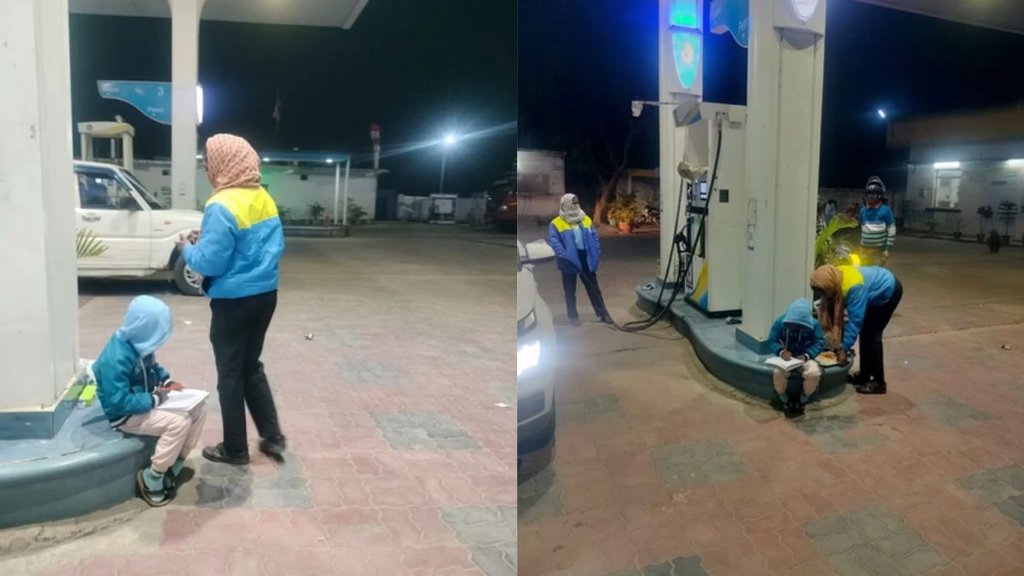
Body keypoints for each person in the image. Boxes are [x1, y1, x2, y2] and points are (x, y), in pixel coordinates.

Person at [179, 133, 286, 465]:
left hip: (234, 302)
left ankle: (235, 449)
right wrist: (207, 240)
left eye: (210, 161)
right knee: (250, 366)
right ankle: (273, 436)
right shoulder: (263, 197)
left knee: (230, 373)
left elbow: (210, 263)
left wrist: (186, 247)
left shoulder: (221, 203)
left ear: (221, 164)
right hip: (265, 295)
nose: (209, 167)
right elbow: (254, 244)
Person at [93, 296, 207, 507]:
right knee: (179, 422)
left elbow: (153, 365)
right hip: (126, 415)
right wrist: (155, 398)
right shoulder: (114, 359)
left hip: (146, 400)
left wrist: (167, 380)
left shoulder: (138, 341)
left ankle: (176, 464)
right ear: (145, 328)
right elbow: (118, 402)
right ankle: (152, 478)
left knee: (199, 408)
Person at [810, 264, 903, 395]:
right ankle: (864, 375)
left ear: (829, 285)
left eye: (823, 292)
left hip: (888, 290)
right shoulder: (835, 277)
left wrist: (844, 348)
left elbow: (855, 321)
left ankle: (878, 382)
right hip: (871, 289)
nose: (822, 296)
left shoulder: (854, 288)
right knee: (866, 334)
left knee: (872, 336)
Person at [548, 194, 612, 326]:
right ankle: (573, 316)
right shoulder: (556, 223)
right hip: (568, 259)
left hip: (585, 257)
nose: (575, 206)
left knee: (593, 288)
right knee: (570, 290)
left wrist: (596, 251)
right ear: (564, 205)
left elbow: (593, 236)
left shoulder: (585, 219)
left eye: (576, 203)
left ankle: (602, 314)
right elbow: (554, 241)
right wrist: (564, 254)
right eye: (572, 204)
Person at [768, 298, 826, 417]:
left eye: (798, 324)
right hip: (785, 359)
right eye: (792, 324)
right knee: (778, 372)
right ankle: (783, 398)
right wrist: (780, 351)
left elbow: (819, 342)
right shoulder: (780, 322)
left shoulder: (814, 325)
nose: (794, 326)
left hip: (805, 357)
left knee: (814, 373)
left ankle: (803, 398)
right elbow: (772, 340)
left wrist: (807, 355)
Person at [858, 176, 896, 266]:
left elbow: (891, 230)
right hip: (864, 251)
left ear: (879, 195)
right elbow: (861, 230)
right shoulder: (862, 211)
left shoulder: (886, 210)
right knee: (864, 275)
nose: (871, 196)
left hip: (878, 252)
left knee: (876, 275)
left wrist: (887, 249)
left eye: (874, 193)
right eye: (869, 193)